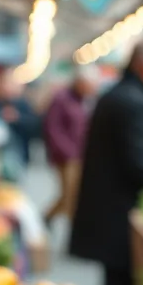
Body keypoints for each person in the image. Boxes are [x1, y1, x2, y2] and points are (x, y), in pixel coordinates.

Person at [70, 39, 143, 285]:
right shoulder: (135, 103)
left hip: (105, 208)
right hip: (117, 212)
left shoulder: (117, 94)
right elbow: (136, 164)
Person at [43, 68, 96, 225]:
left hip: (78, 154)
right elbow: (52, 128)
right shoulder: (62, 99)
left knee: (71, 194)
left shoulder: (82, 100)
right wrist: (66, 150)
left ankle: (48, 217)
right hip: (65, 156)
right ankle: (64, 223)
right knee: (70, 196)